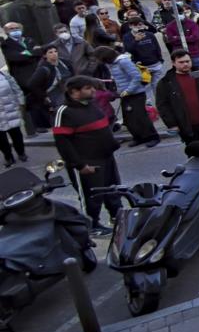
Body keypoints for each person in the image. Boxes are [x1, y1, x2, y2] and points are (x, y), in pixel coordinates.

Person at [52, 76, 120, 234]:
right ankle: (92, 225)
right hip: (87, 162)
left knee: (113, 189)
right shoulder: (64, 112)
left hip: (106, 157)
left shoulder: (91, 104)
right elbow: (63, 143)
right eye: (88, 88)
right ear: (74, 92)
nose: (93, 91)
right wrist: (79, 165)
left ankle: (117, 216)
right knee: (92, 196)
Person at [154, 49, 199, 153]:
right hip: (187, 126)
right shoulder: (165, 82)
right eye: (181, 62)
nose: (185, 64)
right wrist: (171, 124)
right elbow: (162, 105)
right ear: (173, 63)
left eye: (187, 61)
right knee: (195, 153)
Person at [101, 46, 159, 147]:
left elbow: (136, 76)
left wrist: (128, 90)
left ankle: (153, 137)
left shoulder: (123, 62)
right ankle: (138, 137)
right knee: (129, 118)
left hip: (136, 93)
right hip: (125, 93)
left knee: (141, 116)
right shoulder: (112, 64)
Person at [25, 46, 72, 132]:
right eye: (50, 52)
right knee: (58, 118)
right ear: (45, 55)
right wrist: (44, 96)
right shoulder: (44, 68)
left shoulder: (64, 63)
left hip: (66, 93)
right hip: (53, 96)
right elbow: (32, 85)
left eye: (55, 51)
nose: (54, 54)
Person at [0, 69, 27, 166]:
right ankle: (8, 157)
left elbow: (16, 89)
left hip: (11, 110)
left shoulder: (4, 74)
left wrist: (21, 103)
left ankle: (21, 153)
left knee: (16, 134)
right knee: (1, 139)